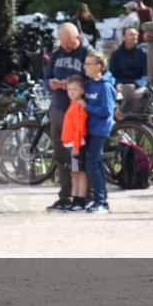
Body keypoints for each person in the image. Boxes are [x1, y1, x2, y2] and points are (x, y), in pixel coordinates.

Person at [44, 23, 88, 211]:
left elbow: (94, 78)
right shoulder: (57, 53)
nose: (65, 46)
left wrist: (72, 85)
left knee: (80, 155)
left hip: (78, 111)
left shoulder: (86, 53)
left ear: (77, 38)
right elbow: (45, 78)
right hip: (59, 108)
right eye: (62, 42)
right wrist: (52, 84)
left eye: (68, 42)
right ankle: (64, 195)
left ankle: (84, 196)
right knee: (60, 154)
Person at [82, 51, 115, 212]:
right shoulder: (88, 84)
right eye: (85, 64)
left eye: (89, 64)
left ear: (99, 66)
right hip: (89, 128)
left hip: (100, 130)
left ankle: (101, 201)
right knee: (95, 164)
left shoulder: (105, 86)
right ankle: (98, 199)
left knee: (93, 163)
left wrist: (86, 106)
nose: (85, 67)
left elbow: (107, 111)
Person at [59, 74, 90, 212]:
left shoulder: (79, 106)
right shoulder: (72, 104)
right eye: (69, 89)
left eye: (75, 89)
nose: (71, 92)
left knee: (80, 173)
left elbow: (80, 128)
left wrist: (76, 146)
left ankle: (80, 201)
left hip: (75, 145)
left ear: (82, 91)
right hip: (69, 144)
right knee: (74, 173)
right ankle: (75, 198)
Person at [109, 27, 148, 99]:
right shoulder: (116, 55)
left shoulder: (143, 54)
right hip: (120, 87)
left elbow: (146, 76)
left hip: (138, 87)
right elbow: (112, 74)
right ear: (124, 37)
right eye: (131, 35)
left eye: (136, 35)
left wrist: (136, 85)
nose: (134, 37)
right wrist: (117, 84)